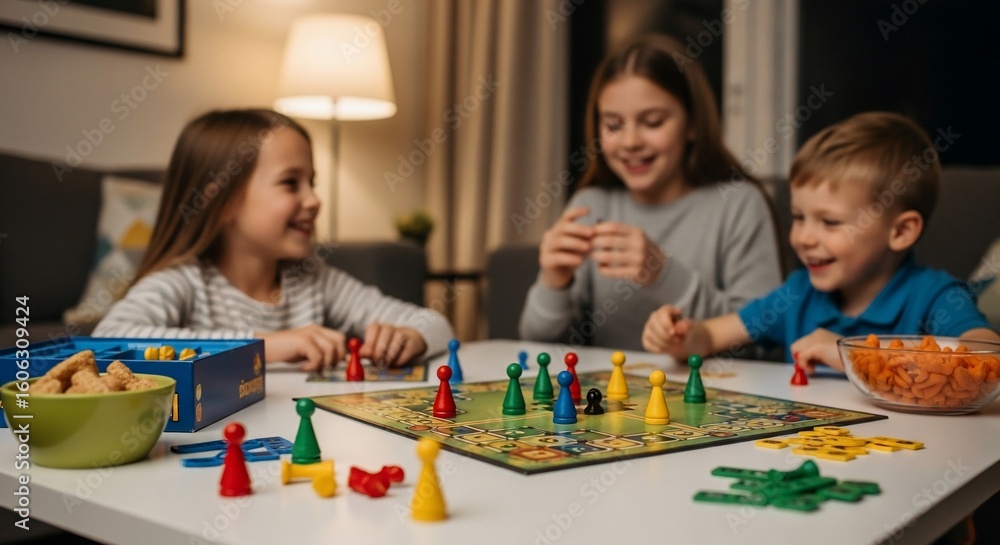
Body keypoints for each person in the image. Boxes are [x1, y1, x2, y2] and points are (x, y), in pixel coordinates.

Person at [94, 109, 454, 371]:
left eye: (312, 182)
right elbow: (107, 341)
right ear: (224, 201)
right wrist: (264, 346)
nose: (313, 201)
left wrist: (409, 337)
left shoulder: (314, 280)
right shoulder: (183, 282)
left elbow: (435, 323)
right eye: (290, 183)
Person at [642, 112, 1000, 371]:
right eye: (798, 217)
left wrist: (859, 356)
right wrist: (681, 337)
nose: (803, 238)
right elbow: (710, 335)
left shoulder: (935, 295)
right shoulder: (798, 294)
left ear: (901, 231)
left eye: (829, 222)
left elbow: (987, 354)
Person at [518, 35, 783, 350]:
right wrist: (553, 283)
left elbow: (766, 336)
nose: (630, 141)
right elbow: (538, 347)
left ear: (693, 124)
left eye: (652, 122)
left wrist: (662, 274)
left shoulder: (738, 205)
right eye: (614, 125)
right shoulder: (590, 206)